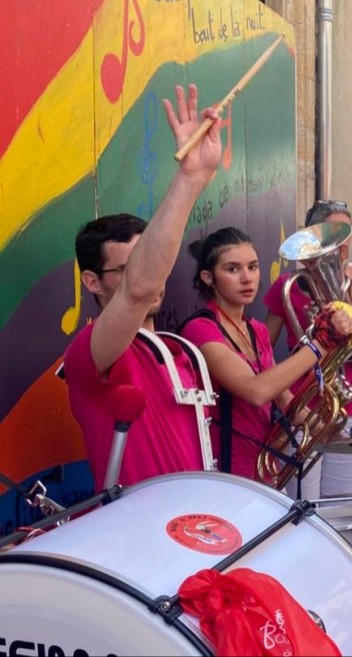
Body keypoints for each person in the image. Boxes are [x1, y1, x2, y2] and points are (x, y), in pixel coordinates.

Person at [64, 84, 223, 488]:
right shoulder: (89, 355)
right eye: (129, 267)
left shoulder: (178, 351)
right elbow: (138, 289)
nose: (153, 278)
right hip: (138, 528)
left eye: (151, 258)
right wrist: (190, 180)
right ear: (92, 281)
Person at [179, 227, 352, 489]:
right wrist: (321, 344)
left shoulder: (257, 329)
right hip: (224, 470)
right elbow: (256, 391)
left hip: (262, 465)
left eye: (252, 267)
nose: (247, 278)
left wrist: (334, 433)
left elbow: (283, 399)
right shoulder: (200, 329)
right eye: (232, 269)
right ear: (208, 277)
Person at [262, 200, 352, 499]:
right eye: (333, 233)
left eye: (346, 233)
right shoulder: (288, 285)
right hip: (303, 405)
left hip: (348, 404)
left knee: (340, 501)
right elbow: (262, 345)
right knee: (302, 502)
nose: (342, 243)